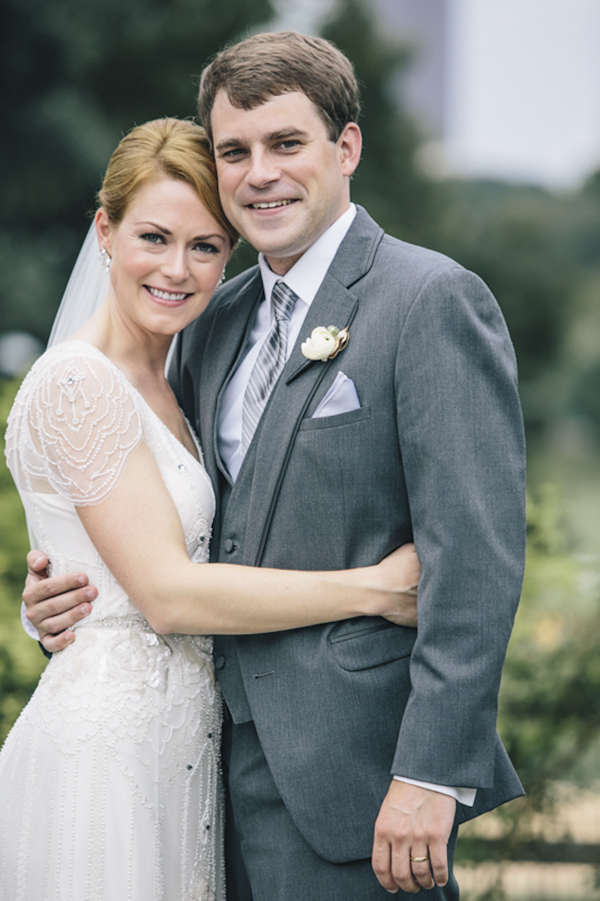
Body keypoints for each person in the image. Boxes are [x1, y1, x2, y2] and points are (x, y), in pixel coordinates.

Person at [22, 31, 527, 901]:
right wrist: (66, 593)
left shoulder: (429, 299)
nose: (260, 172)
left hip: (362, 792)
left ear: (346, 147)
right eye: (235, 151)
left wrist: (432, 775)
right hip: (197, 783)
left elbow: (475, 559)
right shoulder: (210, 320)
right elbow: (165, 530)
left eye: (286, 144)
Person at [0, 116, 421, 901]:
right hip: (107, 759)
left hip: (187, 755)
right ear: (105, 230)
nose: (178, 269)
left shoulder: (182, 373)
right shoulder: (76, 382)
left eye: (206, 246)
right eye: (154, 237)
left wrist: (58, 600)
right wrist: (377, 588)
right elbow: (167, 594)